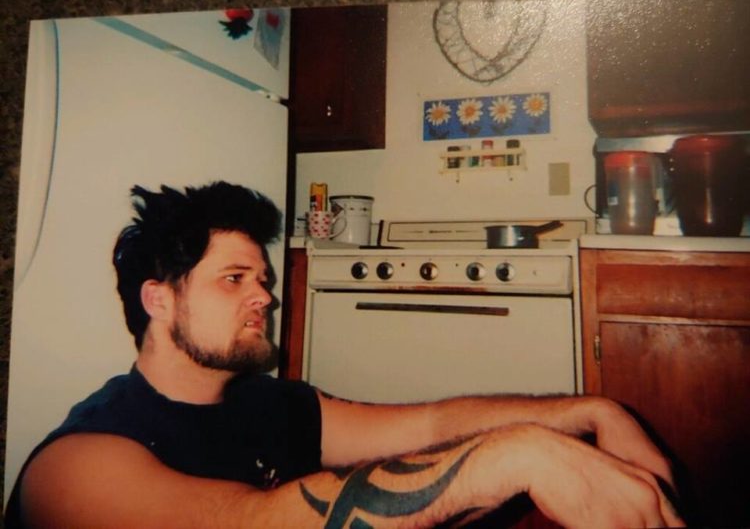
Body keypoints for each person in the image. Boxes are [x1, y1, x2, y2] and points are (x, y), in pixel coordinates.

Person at [6, 182, 684, 528]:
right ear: (159, 300)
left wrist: (590, 410)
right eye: (235, 279)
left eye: (264, 279)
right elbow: (251, 521)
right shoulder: (76, 467)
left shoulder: (268, 402)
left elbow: (425, 425)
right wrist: (519, 453)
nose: (264, 297)